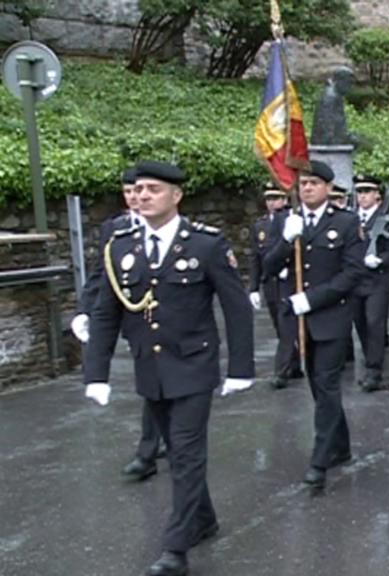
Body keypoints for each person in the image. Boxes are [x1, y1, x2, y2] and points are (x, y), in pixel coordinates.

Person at [83, 161, 255, 576]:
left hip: (194, 365)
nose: (141, 196)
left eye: (152, 190)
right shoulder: (120, 246)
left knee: (188, 453)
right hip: (150, 368)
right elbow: (105, 313)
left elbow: (236, 309)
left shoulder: (206, 245)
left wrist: (241, 368)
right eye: (137, 189)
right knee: (178, 452)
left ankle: (175, 549)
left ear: (176, 196)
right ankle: (204, 519)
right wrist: (96, 373)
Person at [263, 160, 366, 487]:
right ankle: (341, 446)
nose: (306, 188)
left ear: (328, 188)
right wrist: (284, 240)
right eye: (302, 184)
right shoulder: (287, 220)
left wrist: (313, 299)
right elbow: (268, 265)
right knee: (315, 383)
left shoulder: (347, 223)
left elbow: (352, 273)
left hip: (331, 316)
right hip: (299, 320)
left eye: (313, 183)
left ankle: (319, 461)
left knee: (326, 383)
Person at [73, 168, 170, 482]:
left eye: (139, 190)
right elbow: (103, 275)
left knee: (165, 382)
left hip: (168, 319)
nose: (134, 197)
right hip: (134, 319)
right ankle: (158, 444)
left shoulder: (169, 225)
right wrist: (85, 310)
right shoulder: (114, 230)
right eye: (128, 192)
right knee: (152, 384)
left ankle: (150, 450)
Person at [350, 174, 389, 391]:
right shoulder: (350, 219)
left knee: (375, 323)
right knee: (360, 323)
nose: (362, 197)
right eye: (360, 192)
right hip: (355, 280)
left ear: (377, 196)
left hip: (377, 279)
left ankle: (374, 369)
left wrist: (381, 260)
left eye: (367, 192)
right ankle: (368, 359)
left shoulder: (388, 221)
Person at [250, 184, 304, 389]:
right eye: (269, 198)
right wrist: (253, 288)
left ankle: (280, 371)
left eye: (276, 198)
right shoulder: (260, 226)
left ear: (285, 199)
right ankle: (294, 364)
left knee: (286, 324)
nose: (272, 202)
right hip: (270, 281)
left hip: (289, 280)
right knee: (279, 327)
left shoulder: (291, 220)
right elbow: (255, 258)